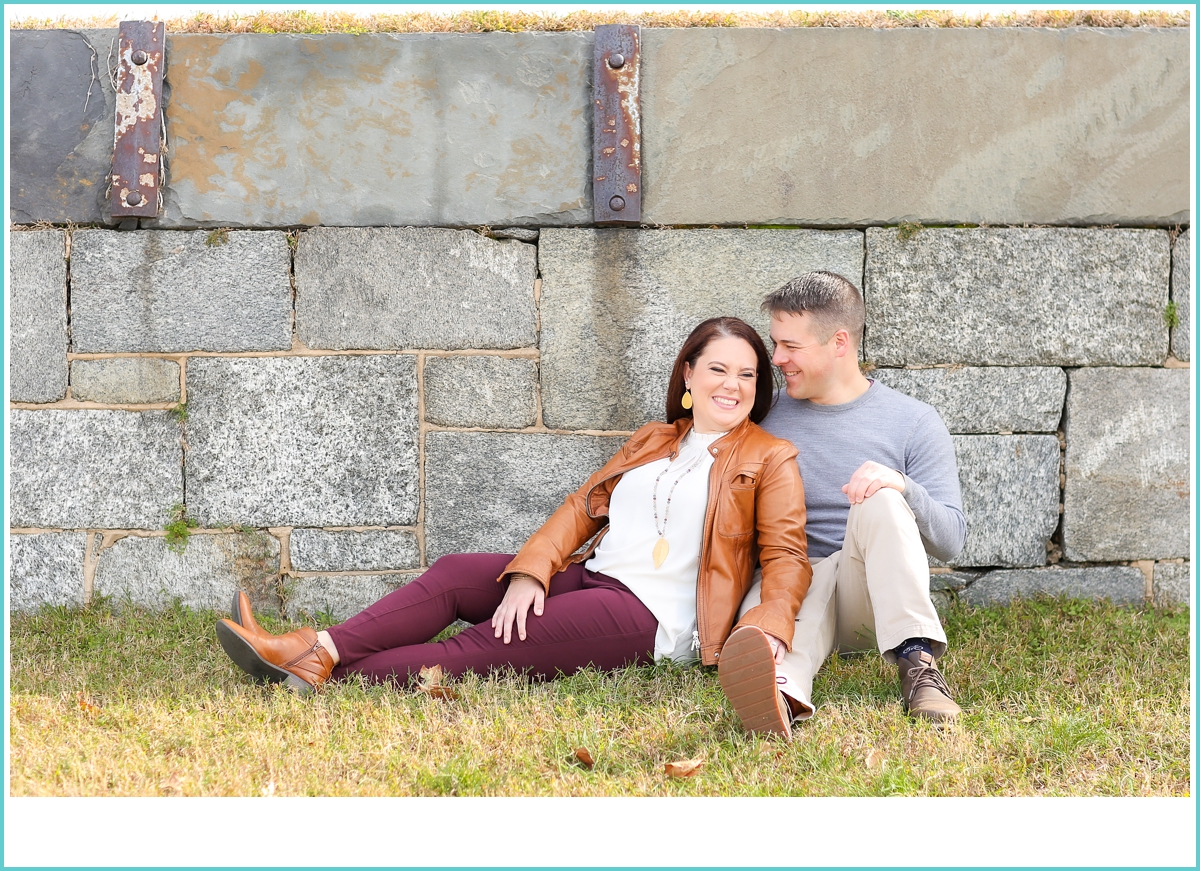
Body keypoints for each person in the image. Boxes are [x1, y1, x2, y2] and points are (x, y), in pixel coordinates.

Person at [216, 317, 813, 738]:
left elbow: (786, 557)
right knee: (455, 575)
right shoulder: (656, 439)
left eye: (748, 375)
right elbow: (583, 507)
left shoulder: (770, 456)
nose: (732, 386)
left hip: (655, 618)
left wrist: (769, 635)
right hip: (594, 578)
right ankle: (316, 651)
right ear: (688, 374)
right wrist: (533, 572)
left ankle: (315, 672)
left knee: (480, 647)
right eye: (718, 369)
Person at [740, 271, 967, 726]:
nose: (777, 359)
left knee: (881, 499)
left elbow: (951, 541)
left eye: (790, 346)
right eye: (775, 344)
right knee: (799, 582)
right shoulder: (759, 413)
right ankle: (782, 694)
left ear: (839, 342)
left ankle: (918, 664)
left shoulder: (914, 422)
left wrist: (901, 486)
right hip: (786, 591)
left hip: (869, 601)